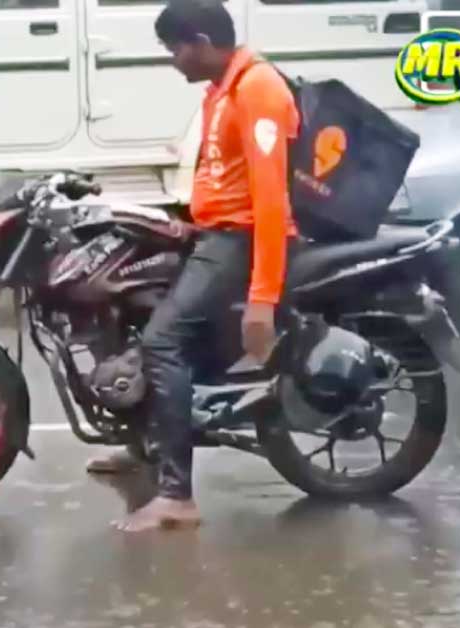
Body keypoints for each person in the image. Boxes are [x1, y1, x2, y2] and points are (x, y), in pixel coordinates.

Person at [103, 0, 300, 533]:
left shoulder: (258, 90)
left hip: (238, 243)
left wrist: (262, 298)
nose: (173, 61)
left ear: (203, 42)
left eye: (175, 48)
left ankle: (177, 497)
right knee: (133, 308)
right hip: (215, 233)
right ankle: (146, 443)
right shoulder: (222, 90)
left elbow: (270, 199)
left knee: (162, 341)